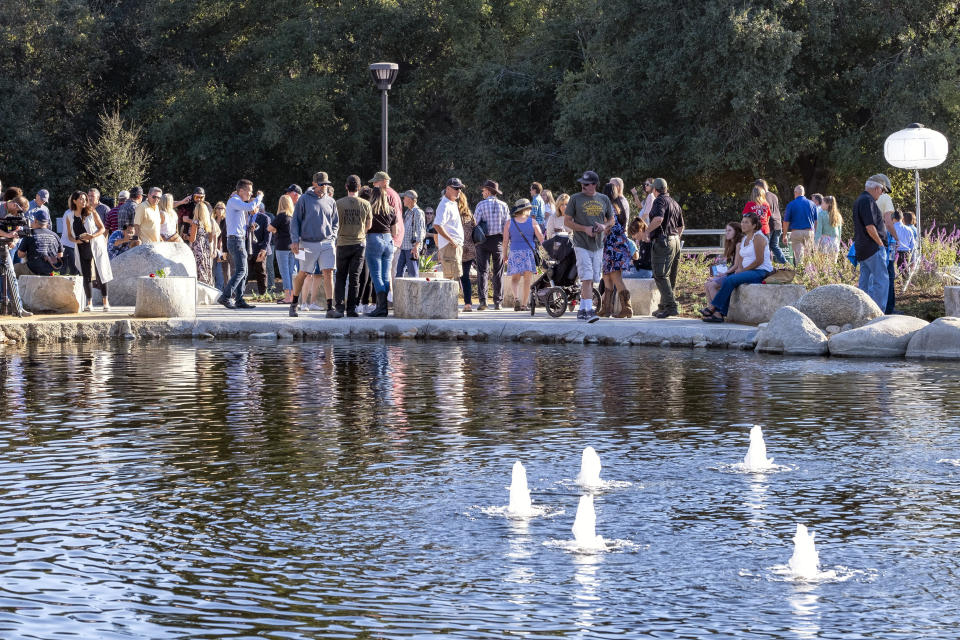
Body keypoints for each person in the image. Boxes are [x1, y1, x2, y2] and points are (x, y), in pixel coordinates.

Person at [701, 212, 773, 322]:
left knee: (730, 280)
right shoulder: (744, 239)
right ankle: (719, 314)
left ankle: (713, 308)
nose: (743, 224)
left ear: (754, 226)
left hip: (760, 271)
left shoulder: (758, 237)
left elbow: (759, 261)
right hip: (748, 271)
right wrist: (739, 270)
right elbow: (742, 260)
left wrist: (743, 270)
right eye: (742, 222)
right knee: (730, 280)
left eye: (746, 222)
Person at [564, 170, 615, 322]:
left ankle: (583, 309)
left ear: (594, 185)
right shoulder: (575, 199)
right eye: (582, 183)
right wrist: (584, 228)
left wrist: (603, 226)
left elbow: (611, 220)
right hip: (581, 244)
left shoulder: (604, 199)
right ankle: (586, 309)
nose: (583, 186)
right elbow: (567, 221)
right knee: (586, 276)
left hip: (598, 244)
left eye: (586, 184)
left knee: (593, 278)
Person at [288, 172, 338, 317]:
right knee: (303, 273)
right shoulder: (304, 199)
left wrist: (333, 237)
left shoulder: (331, 201)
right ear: (314, 184)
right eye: (322, 184)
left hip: (327, 243)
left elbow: (335, 222)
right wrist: (295, 241)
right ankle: (294, 304)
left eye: (327, 184)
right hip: (307, 243)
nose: (325, 187)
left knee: (328, 273)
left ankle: (330, 308)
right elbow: (295, 221)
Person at [66, 190, 113, 312]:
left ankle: (105, 302)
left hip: (96, 244)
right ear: (74, 201)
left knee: (101, 272)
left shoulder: (91, 212)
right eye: (81, 199)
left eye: (85, 199)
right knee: (86, 274)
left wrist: (92, 236)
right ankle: (89, 303)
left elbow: (102, 228)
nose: (84, 201)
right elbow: (69, 236)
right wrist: (77, 241)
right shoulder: (69, 216)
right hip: (82, 247)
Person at [220, 179, 264, 310]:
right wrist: (260, 196)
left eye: (252, 192)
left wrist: (249, 227)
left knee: (244, 272)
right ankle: (225, 296)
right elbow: (251, 206)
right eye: (249, 191)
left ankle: (239, 300)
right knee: (241, 270)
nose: (251, 194)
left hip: (238, 239)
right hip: (236, 240)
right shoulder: (234, 201)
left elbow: (239, 221)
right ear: (241, 191)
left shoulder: (237, 203)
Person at [333, 175, 372, 317]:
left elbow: (334, 224)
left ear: (346, 186)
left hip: (342, 243)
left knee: (341, 277)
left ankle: (339, 307)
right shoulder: (366, 204)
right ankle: (351, 309)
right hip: (359, 243)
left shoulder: (338, 203)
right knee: (355, 279)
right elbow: (369, 225)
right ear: (359, 187)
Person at [646, 177, 685, 318]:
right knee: (669, 276)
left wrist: (647, 231)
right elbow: (681, 226)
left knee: (660, 274)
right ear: (666, 188)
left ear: (655, 190)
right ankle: (663, 306)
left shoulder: (659, 201)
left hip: (663, 240)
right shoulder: (674, 202)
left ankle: (671, 306)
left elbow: (658, 219)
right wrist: (675, 238)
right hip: (675, 240)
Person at [852, 176, 890, 310]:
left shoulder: (859, 200)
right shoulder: (868, 201)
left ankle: (863, 311)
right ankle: (878, 313)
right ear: (877, 188)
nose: (882, 194)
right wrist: (880, 244)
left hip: (862, 248)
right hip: (873, 248)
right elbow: (870, 226)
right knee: (881, 281)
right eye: (882, 191)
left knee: (865, 284)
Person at [472, 179, 510, 310]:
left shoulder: (481, 205)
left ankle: (483, 301)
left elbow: (475, 222)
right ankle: (498, 302)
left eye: (483, 190)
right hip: (498, 240)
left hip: (483, 240)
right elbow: (507, 225)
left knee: (482, 271)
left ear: (488, 191)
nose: (482, 192)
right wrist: (506, 243)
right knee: (498, 271)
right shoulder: (504, 205)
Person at [501, 198, 544, 311]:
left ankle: (516, 299)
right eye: (530, 208)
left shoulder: (509, 223)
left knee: (515, 279)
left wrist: (504, 255)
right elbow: (541, 238)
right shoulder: (533, 222)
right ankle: (524, 305)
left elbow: (505, 241)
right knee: (527, 281)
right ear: (526, 209)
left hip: (514, 252)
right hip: (529, 253)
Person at [364, 185, 398, 317]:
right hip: (388, 240)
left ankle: (381, 307)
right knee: (385, 274)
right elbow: (395, 231)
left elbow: (367, 227)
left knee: (376, 275)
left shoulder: (370, 209)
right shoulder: (391, 210)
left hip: (374, 239)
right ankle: (383, 307)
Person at [599, 182, 632, 317]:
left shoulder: (607, 207)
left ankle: (627, 308)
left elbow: (607, 227)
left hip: (612, 246)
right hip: (617, 244)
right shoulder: (618, 206)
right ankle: (606, 308)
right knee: (606, 275)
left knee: (614, 276)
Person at [700, 222, 743, 315]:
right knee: (707, 284)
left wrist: (724, 273)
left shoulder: (739, 244)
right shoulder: (731, 244)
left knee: (712, 285)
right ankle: (711, 308)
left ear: (736, 231)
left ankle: (717, 310)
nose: (726, 233)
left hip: (735, 274)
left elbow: (736, 265)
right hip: (731, 272)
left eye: (729, 230)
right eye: (726, 230)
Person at [872, 173, 898, 313]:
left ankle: (874, 308)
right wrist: (897, 238)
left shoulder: (867, 198)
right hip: (884, 236)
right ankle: (888, 309)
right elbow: (888, 222)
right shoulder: (885, 198)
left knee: (873, 275)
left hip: (870, 237)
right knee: (888, 273)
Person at [0, 198, 30, 317]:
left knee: (11, 276)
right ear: (13, 204)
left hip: (5, 247)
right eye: (18, 211)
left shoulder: (16, 217)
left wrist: (14, 240)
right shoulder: (1, 209)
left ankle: (18, 308)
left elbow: (20, 231)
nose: (18, 215)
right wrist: (7, 234)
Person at [15, 208, 63, 276]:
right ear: (47, 222)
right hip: (51, 270)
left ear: (35, 220)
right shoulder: (55, 235)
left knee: (15, 268)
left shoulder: (30, 234)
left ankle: (12, 287)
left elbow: (20, 254)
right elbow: (60, 255)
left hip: (33, 270)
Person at [434, 178, 466, 281]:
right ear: (448, 189)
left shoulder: (452, 203)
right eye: (456, 188)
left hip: (453, 246)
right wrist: (452, 241)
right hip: (450, 247)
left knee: (454, 279)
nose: (459, 191)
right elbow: (437, 225)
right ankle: (450, 298)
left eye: (460, 188)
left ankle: (452, 298)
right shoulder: (444, 205)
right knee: (451, 280)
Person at [268, 194, 297, 304]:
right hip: (292, 247)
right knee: (291, 272)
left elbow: (269, 228)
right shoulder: (292, 216)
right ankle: (293, 296)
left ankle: (287, 297)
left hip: (282, 247)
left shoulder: (281, 216)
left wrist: (276, 231)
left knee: (284, 272)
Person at [783, 185, 817, 265]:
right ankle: (809, 275)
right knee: (808, 256)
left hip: (796, 232)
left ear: (795, 193)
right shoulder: (812, 204)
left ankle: (800, 274)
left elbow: (786, 222)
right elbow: (816, 221)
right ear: (803, 193)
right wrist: (814, 232)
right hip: (809, 232)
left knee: (799, 257)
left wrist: (784, 235)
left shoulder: (791, 204)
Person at [187, 194, 216, 286]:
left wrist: (185, 237)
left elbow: (192, 238)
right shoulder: (209, 223)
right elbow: (211, 239)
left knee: (198, 269)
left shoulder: (196, 222)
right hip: (206, 248)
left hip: (197, 248)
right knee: (206, 268)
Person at [758, 179, 787, 264]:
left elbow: (764, 212)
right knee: (774, 246)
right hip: (778, 223)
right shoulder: (774, 195)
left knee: (766, 247)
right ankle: (785, 263)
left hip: (769, 224)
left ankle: (766, 266)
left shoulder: (763, 197)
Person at [396, 190, 425, 279]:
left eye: (404, 198)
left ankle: (415, 293)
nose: (403, 200)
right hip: (404, 247)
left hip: (412, 249)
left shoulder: (418, 212)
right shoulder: (408, 212)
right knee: (399, 274)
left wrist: (416, 247)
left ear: (409, 199)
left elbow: (421, 231)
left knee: (413, 275)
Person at [457, 190, 477, 312]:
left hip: (457, 247)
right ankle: (468, 303)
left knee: (453, 276)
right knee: (465, 277)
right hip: (469, 249)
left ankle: (452, 301)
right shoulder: (469, 214)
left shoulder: (454, 214)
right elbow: (475, 228)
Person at [815, 195, 843, 260]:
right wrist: (838, 243)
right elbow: (839, 232)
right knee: (833, 265)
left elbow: (819, 231)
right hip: (835, 242)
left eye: (822, 203)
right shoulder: (838, 215)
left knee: (823, 265)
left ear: (828, 204)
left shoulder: (821, 214)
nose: (821, 205)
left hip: (824, 242)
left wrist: (816, 244)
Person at [211, 201, 229, 291]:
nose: (220, 210)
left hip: (222, 249)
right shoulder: (212, 220)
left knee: (221, 270)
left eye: (222, 208)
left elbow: (225, 233)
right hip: (213, 248)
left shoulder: (226, 220)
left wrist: (220, 242)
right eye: (218, 207)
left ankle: (220, 290)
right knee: (212, 268)